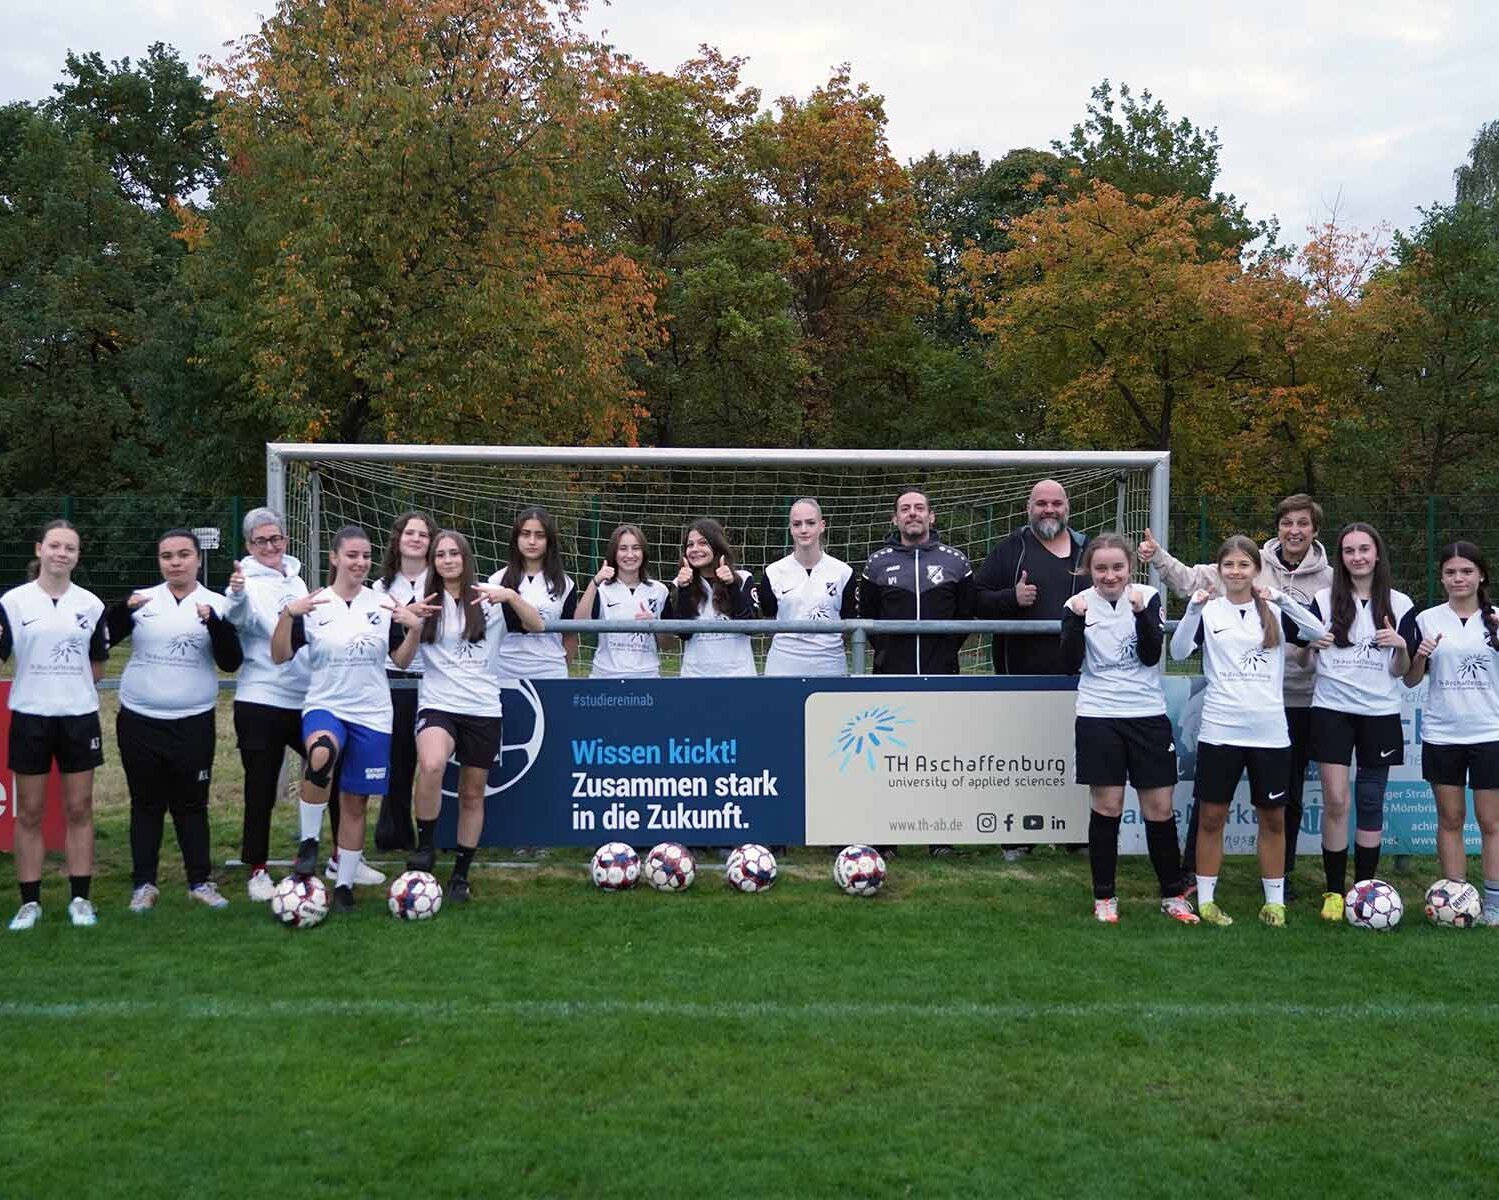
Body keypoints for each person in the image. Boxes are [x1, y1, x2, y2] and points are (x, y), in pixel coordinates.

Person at [1141, 493, 1333, 895]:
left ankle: (1280, 885)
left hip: (1290, 706)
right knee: (1211, 810)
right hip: (1224, 723)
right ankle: (1196, 878)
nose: (1294, 530)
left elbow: (1320, 632)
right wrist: (1161, 559)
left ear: (1314, 530)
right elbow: (1181, 631)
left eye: (1302, 524)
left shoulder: (1320, 581)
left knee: (1282, 807)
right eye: (1287, 523)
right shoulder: (1215, 605)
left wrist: (1281, 600)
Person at [270, 525, 433, 913]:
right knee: (322, 753)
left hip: (373, 712)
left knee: (356, 802)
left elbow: (401, 661)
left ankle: (343, 885)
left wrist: (414, 629)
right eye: (352, 555)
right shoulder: (313, 605)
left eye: (365, 556)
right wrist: (286, 616)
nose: (360, 563)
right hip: (326, 704)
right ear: (335, 557)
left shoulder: (382, 604)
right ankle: (309, 843)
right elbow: (279, 655)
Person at [224, 509, 382, 897]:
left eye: (276, 538)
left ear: (286, 540)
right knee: (260, 786)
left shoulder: (297, 582)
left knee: (331, 766)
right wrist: (238, 593)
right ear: (249, 546)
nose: (270, 547)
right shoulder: (244, 583)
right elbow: (237, 616)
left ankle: (340, 856)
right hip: (260, 699)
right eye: (261, 541)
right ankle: (257, 870)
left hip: (305, 699)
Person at [1059, 533, 1196, 925]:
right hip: (1098, 716)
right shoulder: (1076, 604)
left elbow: (1152, 654)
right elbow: (1069, 663)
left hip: (1147, 716)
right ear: (1090, 569)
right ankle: (1104, 897)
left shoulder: (1148, 598)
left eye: (1117, 567)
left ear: (1129, 569)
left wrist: (1138, 614)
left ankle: (1172, 894)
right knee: (1107, 806)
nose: (1109, 576)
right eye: (1100, 568)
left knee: (1159, 808)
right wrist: (1076, 622)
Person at [108, 529, 244, 913]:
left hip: (192, 723)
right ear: (159, 561)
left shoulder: (215, 603)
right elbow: (103, 640)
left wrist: (215, 623)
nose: (175, 562)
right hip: (139, 720)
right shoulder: (143, 600)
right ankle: (143, 885)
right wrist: (122, 610)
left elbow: (231, 661)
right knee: (146, 804)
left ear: (198, 559)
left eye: (184, 554)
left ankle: (200, 881)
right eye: (167, 556)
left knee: (192, 805)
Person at [405, 530, 542, 902]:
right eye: (440, 555)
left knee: (471, 793)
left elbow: (537, 626)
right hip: (438, 703)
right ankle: (425, 847)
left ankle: (461, 875)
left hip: (483, 707)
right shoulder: (422, 600)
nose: (448, 560)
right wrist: (411, 625)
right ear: (433, 562)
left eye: (454, 554)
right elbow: (401, 659)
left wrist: (512, 595)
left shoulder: (489, 597)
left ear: (465, 558)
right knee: (431, 764)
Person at [0, 520, 109, 930]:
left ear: (77, 556)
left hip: (79, 716)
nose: (61, 554)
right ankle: (30, 902)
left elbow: (97, 668)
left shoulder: (91, 605)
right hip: (30, 716)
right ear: (39, 549)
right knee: (28, 811)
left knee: (79, 808)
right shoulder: (13, 602)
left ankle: (80, 898)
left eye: (70, 548)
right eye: (55, 546)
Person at [1301, 523, 1413, 920]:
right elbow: (1304, 662)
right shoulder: (1321, 600)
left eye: (1364, 549)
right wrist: (1311, 647)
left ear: (1377, 554)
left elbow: (1401, 670)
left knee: (1370, 802)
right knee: (1335, 800)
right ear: (1341, 558)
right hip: (1331, 710)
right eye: (1349, 551)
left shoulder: (1400, 604)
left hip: (1379, 712)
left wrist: (1400, 646)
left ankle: (1364, 888)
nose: (1357, 557)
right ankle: (1334, 892)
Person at [1402, 541, 1499, 925]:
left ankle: (1493, 903)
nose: (1458, 579)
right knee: (1451, 819)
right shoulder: (1427, 619)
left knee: (1491, 822)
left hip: (1490, 732)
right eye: (1450, 572)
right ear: (1441, 578)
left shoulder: (1495, 619)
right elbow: (1409, 681)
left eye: (1466, 571)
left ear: (1481, 575)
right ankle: (1454, 898)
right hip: (1442, 734)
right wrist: (1420, 656)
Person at [975, 478, 1089, 674]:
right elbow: (975, 601)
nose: (1049, 509)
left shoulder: (1088, 551)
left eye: (1057, 504)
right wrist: (1011, 598)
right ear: (1028, 508)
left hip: (1084, 680)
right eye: (1041, 503)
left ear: (1067, 508)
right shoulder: (1010, 550)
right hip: (1020, 682)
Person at [372, 510, 436, 852]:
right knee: (397, 758)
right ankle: (393, 830)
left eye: (423, 535)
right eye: (409, 533)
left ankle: (436, 831)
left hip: (433, 679)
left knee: (430, 760)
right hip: (392, 679)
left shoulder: (440, 582)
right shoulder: (380, 587)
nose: (415, 539)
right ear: (398, 539)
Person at [858, 489, 973, 676]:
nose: (912, 513)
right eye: (905, 509)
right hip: (891, 673)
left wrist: (946, 650)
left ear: (931, 516)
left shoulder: (956, 562)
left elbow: (965, 614)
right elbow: (868, 616)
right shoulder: (876, 563)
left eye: (919, 508)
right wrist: (888, 652)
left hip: (942, 671)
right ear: (895, 519)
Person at [758, 498, 857, 677]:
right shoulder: (773, 573)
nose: (803, 530)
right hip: (783, 666)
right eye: (797, 524)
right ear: (790, 528)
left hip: (830, 666)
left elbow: (847, 624)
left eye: (810, 523)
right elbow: (769, 619)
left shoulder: (844, 572)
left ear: (822, 525)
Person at [490, 507, 578, 680]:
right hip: (504, 673)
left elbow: (570, 636)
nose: (532, 541)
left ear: (549, 541)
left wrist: (559, 667)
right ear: (516, 538)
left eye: (539, 535)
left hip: (550, 672)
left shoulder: (566, 584)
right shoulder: (496, 581)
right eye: (525, 534)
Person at [577, 524, 670, 679]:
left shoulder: (659, 591)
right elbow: (578, 624)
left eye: (635, 548)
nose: (629, 554)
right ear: (614, 553)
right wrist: (595, 582)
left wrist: (653, 625)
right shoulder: (602, 589)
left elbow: (667, 645)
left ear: (643, 552)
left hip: (647, 677)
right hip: (606, 676)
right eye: (623, 548)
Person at [669, 518, 758, 678]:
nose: (695, 549)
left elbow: (751, 628)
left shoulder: (743, 579)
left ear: (717, 545)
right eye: (690, 545)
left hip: (738, 675)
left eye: (703, 543)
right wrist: (684, 590)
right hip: (695, 676)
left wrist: (731, 586)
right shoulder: (678, 584)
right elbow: (683, 634)